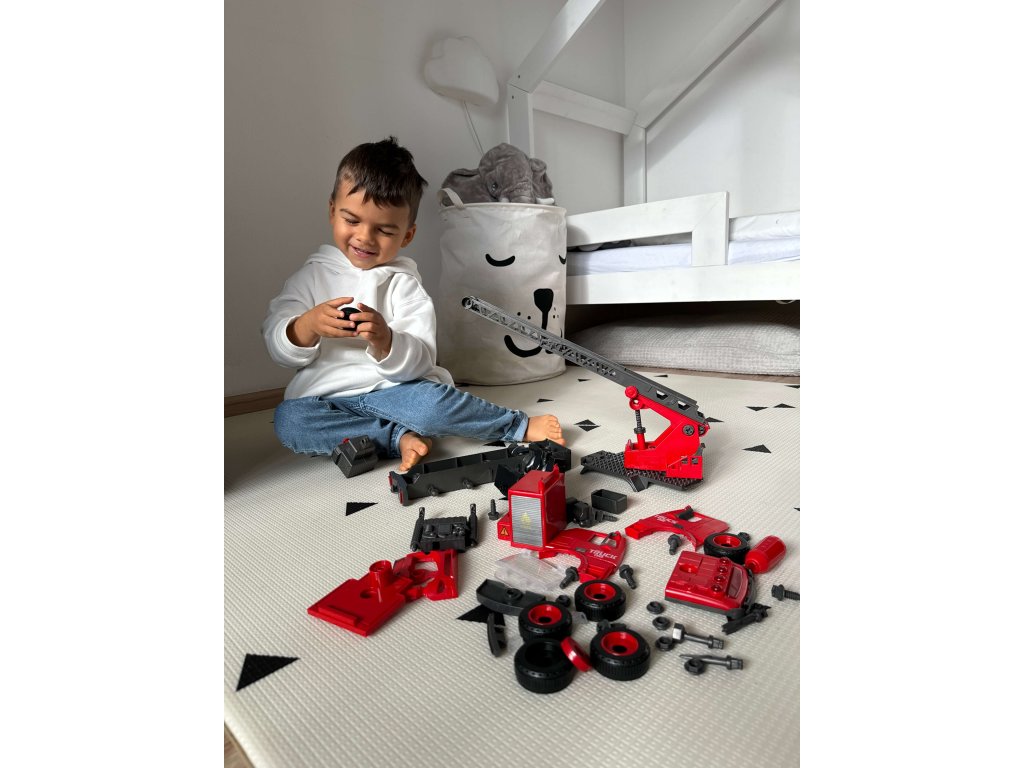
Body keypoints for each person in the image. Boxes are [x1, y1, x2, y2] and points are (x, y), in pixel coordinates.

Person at [262, 136, 564, 472]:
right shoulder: (310, 276)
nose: (364, 237)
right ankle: (397, 438)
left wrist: (386, 341)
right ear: (333, 211)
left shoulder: (404, 284)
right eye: (352, 220)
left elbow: (421, 361)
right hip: (327, 399)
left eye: (384, 230)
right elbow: (277, 342)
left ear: (407, 235)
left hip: (397, 394)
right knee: (289, 421)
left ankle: (516, 425)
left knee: (431, 407)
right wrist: (306, 326)